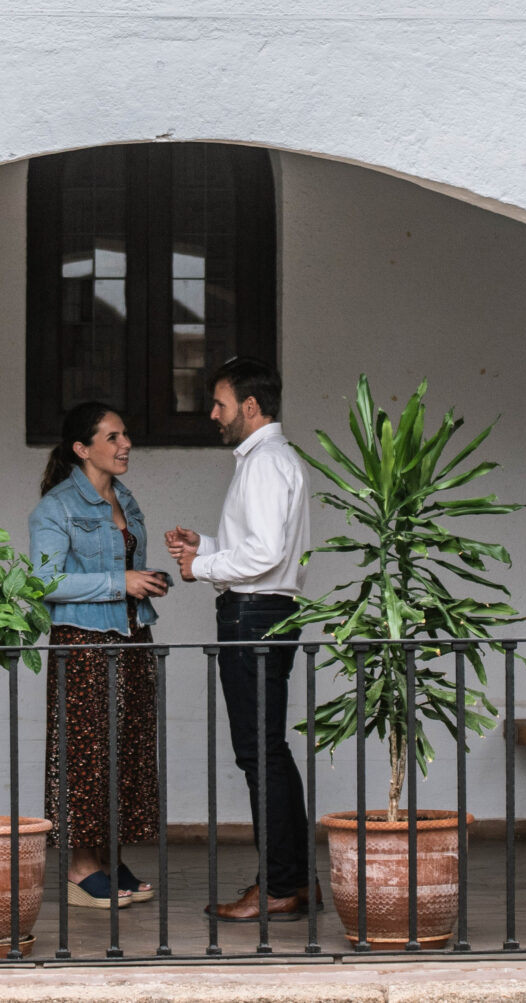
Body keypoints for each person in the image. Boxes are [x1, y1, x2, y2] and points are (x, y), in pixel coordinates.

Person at [164, 358, 312, 922]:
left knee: (259, 754)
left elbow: (265, 554)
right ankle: (292, 881)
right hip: (263, 613)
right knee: (269, 751)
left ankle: (279, 887)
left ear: (251, 407)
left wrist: (200, 567)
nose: (214, 414)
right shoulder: (269, 460)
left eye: (221, 403)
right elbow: (255, 545)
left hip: (253, 618)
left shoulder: (267, 463)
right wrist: (203, 544)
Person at [29, 400, 171, 911]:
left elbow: (119, 565)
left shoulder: (125, 499)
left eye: (125, 434)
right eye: (112, 437)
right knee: (84, 757)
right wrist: (120, 582)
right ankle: (80, 867)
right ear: (81, 449)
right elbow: (43, 582)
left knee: (126, 751)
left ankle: (109, 857)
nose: (125, 443)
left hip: (132, 638)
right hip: (84, 645)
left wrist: (146, 581)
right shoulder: (56, 508)